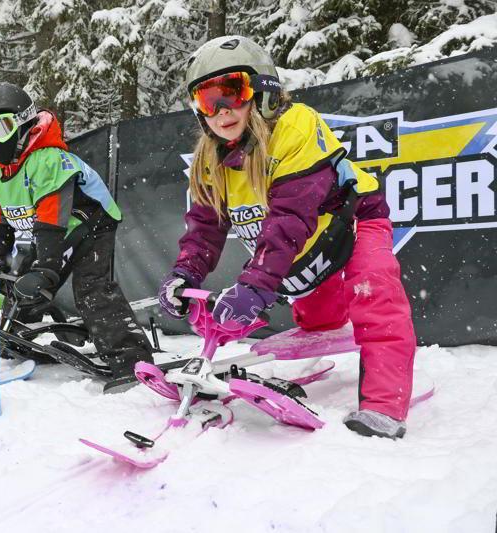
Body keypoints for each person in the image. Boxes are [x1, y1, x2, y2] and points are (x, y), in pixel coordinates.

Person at [158, 36, 415, 438]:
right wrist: (184, 275)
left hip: (351, 221)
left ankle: (385, 406)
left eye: (231, 93)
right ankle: (324, 321)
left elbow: (291, 217)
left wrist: (256, 285)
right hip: (304, 246)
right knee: (320, 319)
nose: (221, 111)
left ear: (262, 90)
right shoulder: (212, 159)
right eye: (207, 102)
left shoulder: (295, 128)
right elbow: (205, 227)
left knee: (374, 293)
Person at [0, 82, 153, 390]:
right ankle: (16, 342)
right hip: (50, 229)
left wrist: (48, 269)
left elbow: (53, 218)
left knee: (91, 287)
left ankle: (131, 359)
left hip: (90, 222)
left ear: (23, 121)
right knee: (21, 281)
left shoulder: (48, 160)